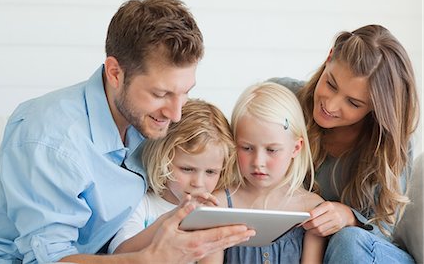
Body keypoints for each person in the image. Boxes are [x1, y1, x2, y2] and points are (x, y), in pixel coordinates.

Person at [0, 0, 254, 264]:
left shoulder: (149, 121)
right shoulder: (51, 141)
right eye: (160, 93)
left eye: (184, 93)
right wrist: (149, 260)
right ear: (115, 73)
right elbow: (50, 260)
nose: (176, 113)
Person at [270, 24, 419, 263]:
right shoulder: (283, 99)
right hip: (307, 252)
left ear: (375, 109)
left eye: (353, 103)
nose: (330, 105)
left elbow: (385, 231)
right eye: (331, 84)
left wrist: (349, 217)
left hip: (366, 253)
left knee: (348, 239)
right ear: (329, 58)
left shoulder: (389, 143)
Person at [204, 82, 326, 263]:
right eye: (246, 148)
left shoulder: (312, 210)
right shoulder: (217, 205)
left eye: (272, 150)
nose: (258, 162)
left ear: (295, 148)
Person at [108, 98, 239, 257]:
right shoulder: (143, 204)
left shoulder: (214, 208)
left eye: (210, 172)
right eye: (187, 169)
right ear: (162, 159)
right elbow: (118, 255)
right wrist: (172, 218)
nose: (198, 183)